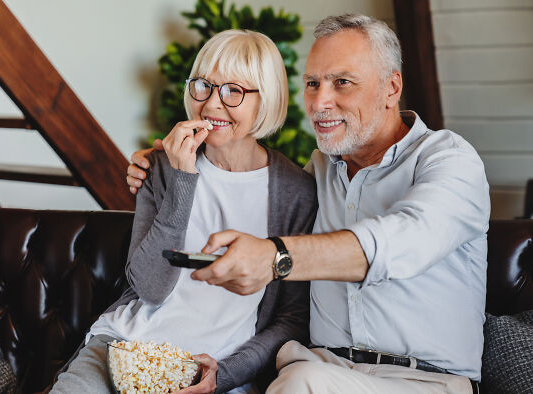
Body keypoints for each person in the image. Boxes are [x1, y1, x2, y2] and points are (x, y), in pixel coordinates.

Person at [127, 14, 489, 394]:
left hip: (422, 380)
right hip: (318, 366)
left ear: (391, 88)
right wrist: (157, 168)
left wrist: (274, 256)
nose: (320, 101)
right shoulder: (316, 174)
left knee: (304, 382)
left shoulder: (450, 161)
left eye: (342, 83)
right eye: (313, 83)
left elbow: (402, 240)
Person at [51, 30, 317, 394]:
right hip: (123, 347)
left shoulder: (297, 193)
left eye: (233, 91)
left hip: (211, 370)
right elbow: (149, 288)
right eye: (203, 86)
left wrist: (226, 373)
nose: (211, 105)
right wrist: (182, 178)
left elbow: (291, 319)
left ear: (265, 100)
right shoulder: (160, 166)